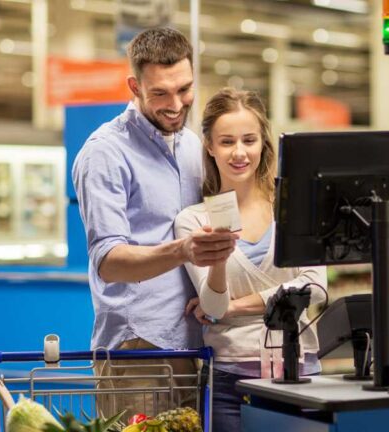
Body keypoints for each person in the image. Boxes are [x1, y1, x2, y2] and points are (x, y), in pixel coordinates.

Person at [71, 27, 238, 417]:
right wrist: (184, 250)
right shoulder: (105, 154)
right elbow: (109, 262)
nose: (176, 104)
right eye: (160, 93)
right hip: (138, 354)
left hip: (197, 348)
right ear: (134, 85)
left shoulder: (193, 145)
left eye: (184, 89)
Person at [174, 88, 328, 431]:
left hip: (299, 372)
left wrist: (233, 307)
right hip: (231, 382)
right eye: (227, 141)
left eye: (249, 140)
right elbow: (213, 306)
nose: (239, 152)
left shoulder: (294, 209)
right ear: (210, 146)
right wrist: (218, 255)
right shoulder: (194, 221)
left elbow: (315, 288)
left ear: (263, 144)